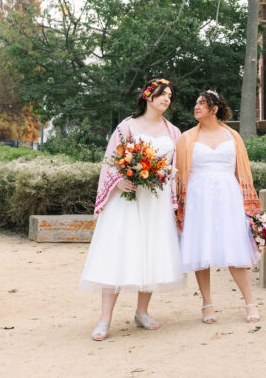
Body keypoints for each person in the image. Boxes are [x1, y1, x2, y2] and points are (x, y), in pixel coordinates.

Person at [79, 78, 184, 340]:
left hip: (156, 202)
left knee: (151, 252)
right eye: (162, 94)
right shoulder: (127, 127)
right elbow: (111, 160)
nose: (166, 99)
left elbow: (174, 169)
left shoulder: (174, 132)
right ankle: (104, 319)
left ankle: (142, 312)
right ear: (148, 97)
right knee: (118, 252)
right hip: (128, 199)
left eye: (170, 96)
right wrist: (120, 180)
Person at [174, 90, 262, 324]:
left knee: (234, 246)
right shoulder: (186, 138)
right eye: (195, 103)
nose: (196, 107)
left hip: (228, 196)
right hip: (197, 197)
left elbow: (241, 171)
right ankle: (207, 305)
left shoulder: (233, 137)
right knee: (200, 249)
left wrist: (249, 204)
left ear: (215, 109)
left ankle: (250, 302)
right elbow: (179, 175)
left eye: (202, 103)